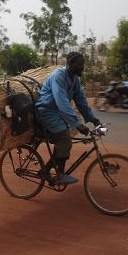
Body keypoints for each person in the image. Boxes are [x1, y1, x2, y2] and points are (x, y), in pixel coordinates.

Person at [35, 52, 101, 185]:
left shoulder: (75, 80)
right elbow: (62, 103)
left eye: (83, 64)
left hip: (57, 112)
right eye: (80, 64)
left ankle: (45, 171)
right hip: (46, 111)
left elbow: (81, 102)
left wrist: (93, 119)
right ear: (70, 64)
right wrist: (78, 124)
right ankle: (60, 175)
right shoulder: (58, 76)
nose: (83, 67)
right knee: (65, 139)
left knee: (63, 142)